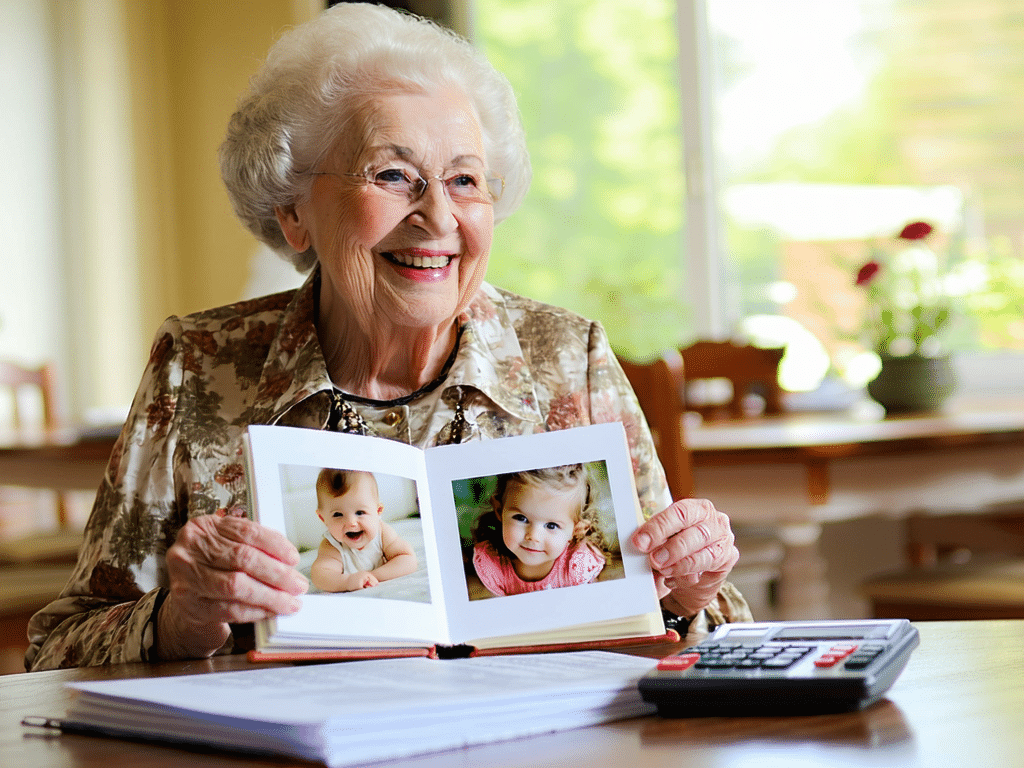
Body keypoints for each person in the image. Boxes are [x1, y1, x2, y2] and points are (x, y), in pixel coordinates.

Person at [25, 3, 750, 671]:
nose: (438, 217)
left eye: (466, 180)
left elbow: (714, 631)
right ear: (294, 212)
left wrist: (688, 591)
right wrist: (180, 620)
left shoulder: (570, 358)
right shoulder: (199, 366)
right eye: (393, 174)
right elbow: (58, 649)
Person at [471, 464, 609, 597]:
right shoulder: (494, 567)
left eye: (551, 526)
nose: (533, 536)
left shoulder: (578, 567)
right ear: (499, 510)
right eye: (521, 518)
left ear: (577, 530)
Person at [310, 468, 416, 593]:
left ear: (378, 511)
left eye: (360, 512)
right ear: (323, 518)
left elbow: (407, 559)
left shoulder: (382, 533)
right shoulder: (332, 546)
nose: (351, 523)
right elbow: (320, 576)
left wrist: (373, 576)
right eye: (338, 514)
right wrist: (347, 581)